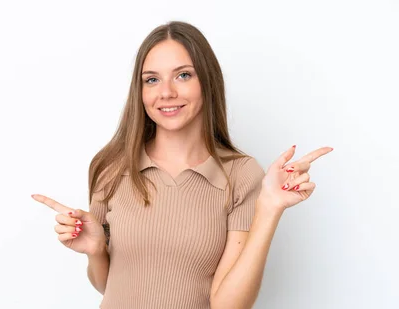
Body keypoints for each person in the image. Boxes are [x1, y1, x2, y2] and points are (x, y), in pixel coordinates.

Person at [31, 20, 332, 309]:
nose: (166, 93)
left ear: (207, 81)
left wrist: (269, 208)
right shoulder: (111, 167)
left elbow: (229, 305)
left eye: (183, 75)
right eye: (152, 79)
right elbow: (110, 286)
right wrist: (96, 251)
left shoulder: (241, 174)